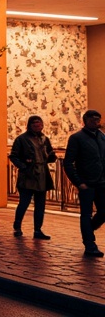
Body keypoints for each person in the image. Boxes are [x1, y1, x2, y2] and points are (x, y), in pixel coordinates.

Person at [63, 109, 105, 257]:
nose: (96, 122)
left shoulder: (101, 137)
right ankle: (89, 244)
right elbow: (68, 162)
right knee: (86, 214)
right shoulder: (77, 138)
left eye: (98, 120)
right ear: (85, 121)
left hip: (101, 182)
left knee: (103, 211)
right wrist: (78, 182)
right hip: (86, 183)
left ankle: (88, 229)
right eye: (93, 120)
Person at [9, 114, 57, 239]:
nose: (37, 127)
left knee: (40, 204)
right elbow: (13, 155)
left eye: (39, 125)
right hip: (28, 175)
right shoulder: (22, 139)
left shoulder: (44, 139)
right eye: (34, 125)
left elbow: (50, 153)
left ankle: (37, 229)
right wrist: (23, 166)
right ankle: (17, 226)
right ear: (30, 126)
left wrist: (51, 156)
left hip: (42, 174)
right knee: (24, 202)